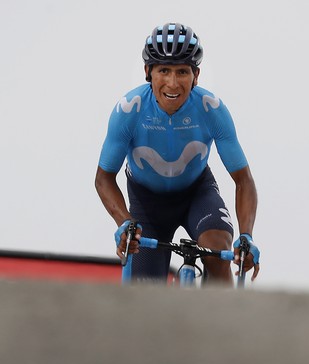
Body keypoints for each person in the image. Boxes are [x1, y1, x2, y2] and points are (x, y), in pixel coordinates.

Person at [95, 22, 259, 285]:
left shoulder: (211, 109)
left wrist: (247, 236)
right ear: (148, 72)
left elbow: (244, 180)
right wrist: (124, 221)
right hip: (146, 203)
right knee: (145, 300)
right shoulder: (129, 110)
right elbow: (103, 178)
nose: (173, 83)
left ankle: (222, 322)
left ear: (196, 75)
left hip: (196, 194)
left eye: (182, 71)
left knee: (218, 252)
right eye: (164, 71)